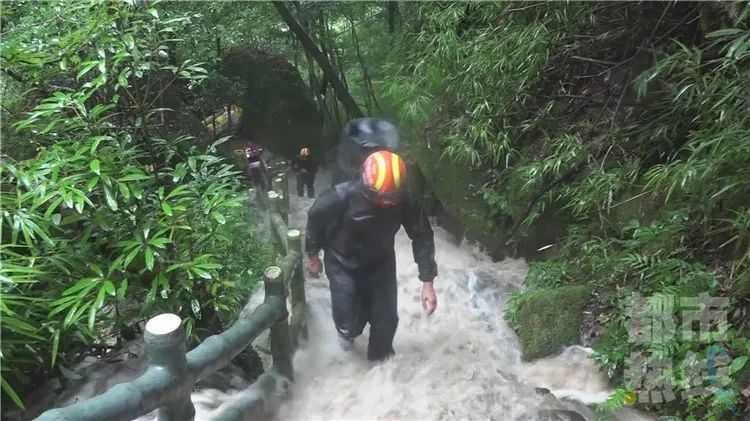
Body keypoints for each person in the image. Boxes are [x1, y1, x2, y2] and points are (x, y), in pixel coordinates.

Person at [305, 149, 438, 362]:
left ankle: (381, 371)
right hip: (342, 262)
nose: (388, 202)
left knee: (386, 320)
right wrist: (313, 256)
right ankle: (347, 345)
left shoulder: (404, 199)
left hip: (380, 262)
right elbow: (314, 219)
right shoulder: (341, 196)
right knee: (348, 322)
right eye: (383, 196)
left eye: (393, 196)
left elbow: (422, 235)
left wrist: (428, 282)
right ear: (367, 184)